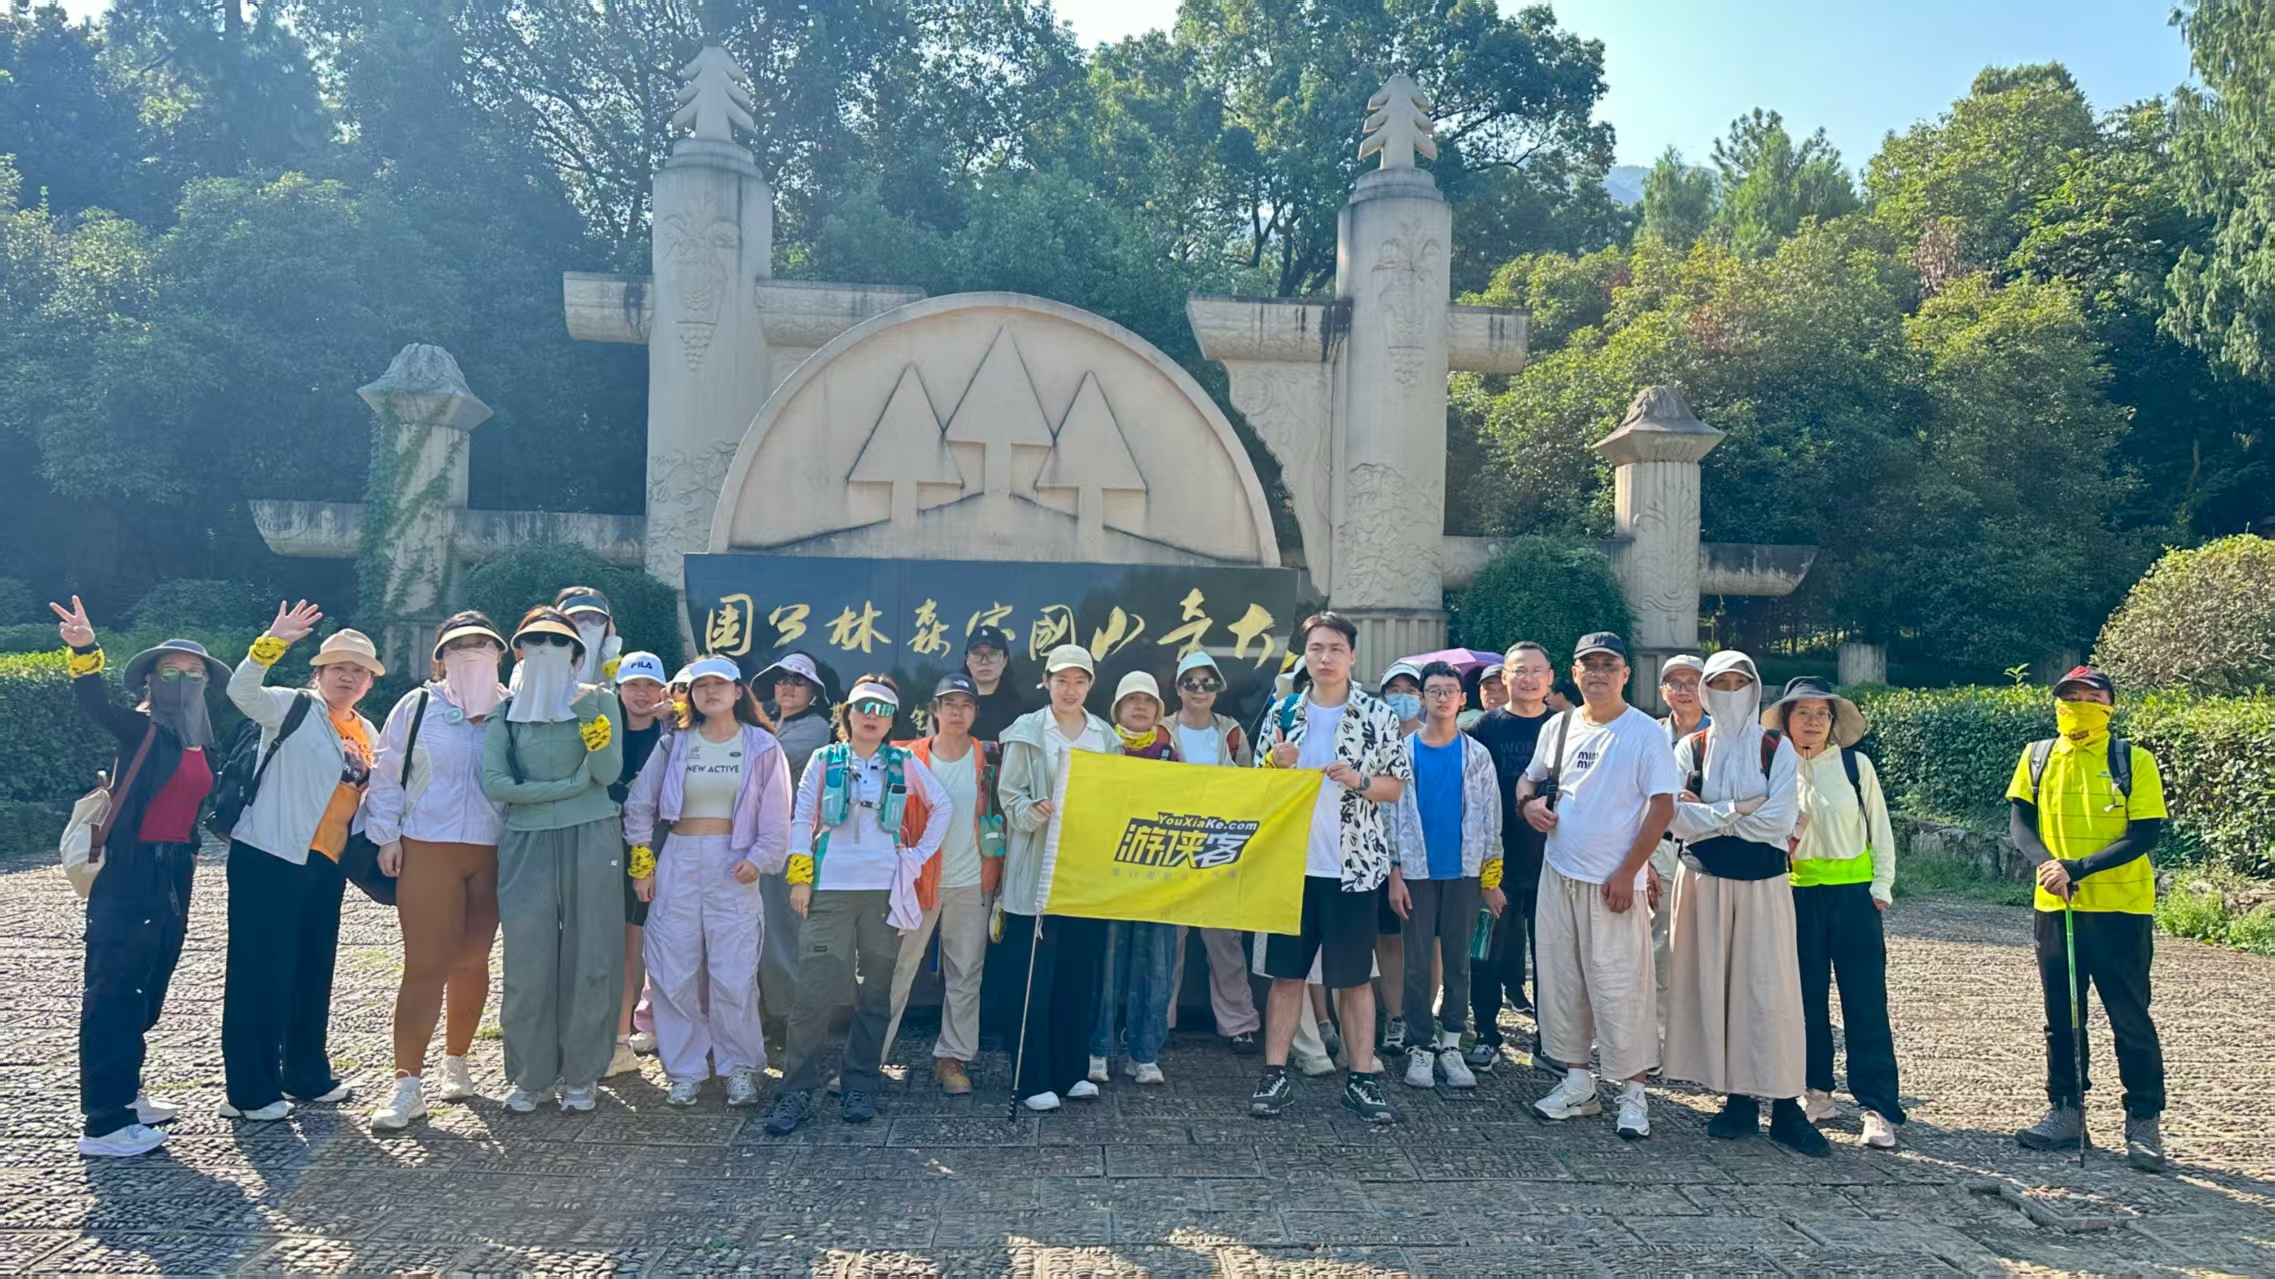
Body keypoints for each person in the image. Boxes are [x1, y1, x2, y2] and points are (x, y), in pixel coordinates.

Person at [52, 599, 226, 1157]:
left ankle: (126, 1093)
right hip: (130, 869)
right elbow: (93, 701)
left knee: (150, 983)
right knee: (115, 988)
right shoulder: (141, 728)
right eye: (170, 672)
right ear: (150, 679)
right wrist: (84, 648)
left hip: (173, 870)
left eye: (194, 673)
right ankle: (104, 1122)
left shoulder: (201, 739)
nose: (183, 682)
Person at [220, 602, 382, 1122]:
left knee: (312, 968)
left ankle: (306, 1074)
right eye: (338, 667)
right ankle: (250, 1091)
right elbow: (241, 692)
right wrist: (271, 643)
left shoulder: (368, 731)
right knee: (259, 971)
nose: (348, 677)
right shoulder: (293, 706)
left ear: (370, 682)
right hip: (270, 853)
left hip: (326, 863)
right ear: (319, 672)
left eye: (358, 671)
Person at [765, 674, 948, 1133]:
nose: (872, 717)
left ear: (891, 721)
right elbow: (802, 817)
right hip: (830, 886)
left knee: (875, 990)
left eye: (882, 711)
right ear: (847, 714)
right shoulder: (824, 759)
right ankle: (796, 1091)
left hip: (883, 891)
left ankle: (859, 1084)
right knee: (815, 990)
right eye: (863, 708)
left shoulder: (903, 762)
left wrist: (916, 857)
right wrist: (800, 877)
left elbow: (942, 806)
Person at [1249, 612, 1412, 1124]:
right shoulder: (1283, 712)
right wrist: (1275, 764)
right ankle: (1274, 1074)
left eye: (1335, 648)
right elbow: (1256, 787)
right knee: (1287, 977)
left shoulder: (1376, 714)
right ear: (1305, 655)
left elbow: (1395, 787)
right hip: (1292, 866)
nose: (1325, 658)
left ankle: (1361, 1078)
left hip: (1354, 867)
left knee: (1355, 979)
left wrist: (1359, 779)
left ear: (1352, 656)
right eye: (1316, 648)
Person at [2009, 666, 2170, 1172]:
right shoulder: (2037, 756)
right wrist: (2048, 866)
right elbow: (2021, 823)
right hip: (2057, 908)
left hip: (2122, 908)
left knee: (2129, 1017)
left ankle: (2143, 1120)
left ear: (2109, 705)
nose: (2079, 704)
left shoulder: (2133, 760)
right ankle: (2066, 1110)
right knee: (2062, 1017)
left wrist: (2077, 867)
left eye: (2090, 696)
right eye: (2070, 695)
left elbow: (2144, 834)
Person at [1518, 632, 1676, 1141]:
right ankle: (1578, 1083)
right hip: (1559, 873)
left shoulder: (1644, 732)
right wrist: (1528, 805)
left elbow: (1663, 806)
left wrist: (1630, 871)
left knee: (1621, 987)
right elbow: (1529, 780)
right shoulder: (1559, 726)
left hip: (1614, 883)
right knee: (1562, 982)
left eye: (1609, 665)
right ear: (1575, 672)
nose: (1599, 673)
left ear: (1625, 674)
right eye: (1589, 664)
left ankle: (1633, 1093)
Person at [1664, 651, 1824, 1157]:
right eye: (1721, 683)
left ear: (1754, 688)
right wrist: (1738, 809)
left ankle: (1786, 1105)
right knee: (1720, 990)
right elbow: (1674, 818)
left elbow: (1779, 821)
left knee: (1771, 994)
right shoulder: (1691, 748)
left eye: (1739, 683)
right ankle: (1737, 1099)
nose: (1730, 693)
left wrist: (1712, 816)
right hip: (1705, 885)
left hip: (1763, 886)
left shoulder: (1775, 747)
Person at [363, 613, 512, 1132]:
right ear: (441, 657)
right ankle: (407, 1083)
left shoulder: (513, 708)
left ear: (500, 654)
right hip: (428, 843)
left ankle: (458, 1060)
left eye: (482, 644)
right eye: (458, 645)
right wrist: (386, 834)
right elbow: (387, 770)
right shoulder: (418, 705)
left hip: (493, 849)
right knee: (426, 963)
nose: (470, 653)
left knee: (472, 960)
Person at [622, 656, 792, 1108]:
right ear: (690, 695)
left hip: (733, 864)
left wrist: (759, 859)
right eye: (701, 686)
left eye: (720, 684)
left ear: (738, 692)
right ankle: (685, 1070)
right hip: (678, 859)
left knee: (733, 975)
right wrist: (643, 865)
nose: (710, 692)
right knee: (672, 971)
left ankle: (740, 1068)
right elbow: (640, 806)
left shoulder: (761, 746)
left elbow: (778, 816)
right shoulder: (674, 743)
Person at [483, 607, 625, 1114]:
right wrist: (566, 786)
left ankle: (583, 1073)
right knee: (528, 960)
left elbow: (607, 772)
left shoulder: (600, 701)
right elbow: (496, 783)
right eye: (535, 639)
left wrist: (587, 717)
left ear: (577, 654)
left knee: (592, 954)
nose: (547, 648)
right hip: (527, 840)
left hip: (592, 834)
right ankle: (532, 1075)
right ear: (519, 650)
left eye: (559, 641)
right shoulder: (505, 712)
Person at [1761, 676, 1904, 1150]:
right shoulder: (1775, 768)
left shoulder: (1854, 766)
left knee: (1865, 1002)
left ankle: (1878, 1108)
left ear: (1833, 721)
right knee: (1805, 1002)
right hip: (1798, 896)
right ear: (1786, 720)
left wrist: (1881, 885)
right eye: (1802, 713)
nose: (1813, 722)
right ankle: (1817, 1093)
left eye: (1822, 714)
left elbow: (1880, 827)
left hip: (1855, 897)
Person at [998, 645, 1124, 1112]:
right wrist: (1034, 811)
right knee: (1033, 977)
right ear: (1046, 681)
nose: (1070, 690)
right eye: (1061, 680)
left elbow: (1118, 798)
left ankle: (1071, 1071)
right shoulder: (1027, 732)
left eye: (1080, 681)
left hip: (1085, 874)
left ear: (1090, 685)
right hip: (1036, 871)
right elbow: (1009, 797)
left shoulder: (1105, 736)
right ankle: (1031, 1078)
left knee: (1078, 973)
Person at [878, 673, 1002, 1095]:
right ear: (934, 710)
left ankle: (953, 1057)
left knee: (965, 973)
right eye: (948, 704)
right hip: (916, 882)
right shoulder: (907, 757)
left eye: (965, 705)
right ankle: (867, 1057)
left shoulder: (988, 758)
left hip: (972, 880)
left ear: (976, 712)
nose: (956, 713)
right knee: (895, 970)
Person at [1387, 661, 1503, 1090]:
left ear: (1462, 698)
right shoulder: (1402, 752)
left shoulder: (1477, 755)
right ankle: (1420, 1045)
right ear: (1423, 697)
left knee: (1458, 962)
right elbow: (1389, 816)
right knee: (1417, 964)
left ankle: (1451, 1041)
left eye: (1449, 691)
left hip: (1465, 872)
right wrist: (1394, 872)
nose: (1442, 698)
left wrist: (1491, 878)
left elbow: (1491, 819)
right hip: (1416, 871)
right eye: (1433, 691)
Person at [1463, 642, 1554, 1069]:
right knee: (1485, 953)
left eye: (1537, 671)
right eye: (1520, 670)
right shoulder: (1483, 729)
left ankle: (1551, 1039)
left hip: (1554, 862)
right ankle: (1486, 1032)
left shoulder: (1566, 727)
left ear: (1551, 677)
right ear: (1505, 678)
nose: (1528, 679)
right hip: (1496, 862)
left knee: (1552, 956)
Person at [1167, 651, 1262, 1055]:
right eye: (1191, 682)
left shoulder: (1232, 732)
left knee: (1225, 941)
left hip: (1221, 845)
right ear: (1178, 688)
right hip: (1169, 846)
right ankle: (1157, 1022)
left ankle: (1240, 1023)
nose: (1199, 690)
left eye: (1208, 683)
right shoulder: (1160, 730)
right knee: (1168, 941)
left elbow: (1252, 786)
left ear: (1218, 689)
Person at [1091, 671, 1183, 1086]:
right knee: (1105, 966)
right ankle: (1096, 1050)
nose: (1140, 707)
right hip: (1108, 874)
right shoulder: (1099, 747)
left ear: (1158, 710)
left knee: (1156, 968)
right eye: (1132, 700)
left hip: (1156, 876)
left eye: (1148, 701)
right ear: (1117, 709)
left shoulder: (1168, 753)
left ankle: (1145, 1055)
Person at [751, 651, 835, 1045]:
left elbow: (766, 761)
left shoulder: (815, 728)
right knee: (760, 930)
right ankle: (767, 1012)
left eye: (798, 681)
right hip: (755, 839)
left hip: (790, 841)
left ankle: (791, 1018)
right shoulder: (769, 720)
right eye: (782, 678)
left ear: (813, 692)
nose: (788, 686)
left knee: (785, 931)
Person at [606, 652, 674, 1073]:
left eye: (651, 686)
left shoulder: (673, 733)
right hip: (602, 840)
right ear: (619, 689)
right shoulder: (603, 727)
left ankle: (630, 1028)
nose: (642, 694)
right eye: (633, 685)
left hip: (654, 843)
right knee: (606, 938)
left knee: (640, 940)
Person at [1650, 653, 1707, 1053]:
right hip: (1659, 848)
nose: (1684, 690)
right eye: (1676, 682)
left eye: (1693, 682)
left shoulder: (1724, 736)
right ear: (1663, 691)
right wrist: (1642, 861)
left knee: (1708, 946)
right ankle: (1659, 1041)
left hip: (1711, 852)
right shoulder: (1649, 735)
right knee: (1661, 948)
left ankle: (1702, 1042)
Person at [1372, 661, 1423, 1054]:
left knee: (1429, 944)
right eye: (1394, 691)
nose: (1402, 698)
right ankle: (1394, 1016)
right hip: (1381, 857)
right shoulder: (1372, 739)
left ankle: (1425, 1019)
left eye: (1411, 691)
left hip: (1430, 860)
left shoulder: (1435, 740)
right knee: (1388, 939)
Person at [963, 624, 1028, 742]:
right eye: (977, 654)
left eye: (992, 654)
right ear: (967, 660)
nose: (984, 661)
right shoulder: (952, 703)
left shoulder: (1021, 707)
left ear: (1004, 660)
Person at [554, 587, 623, 688]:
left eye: (597, 618)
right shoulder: (541, 660)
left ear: (609, 624)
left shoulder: (620, 667)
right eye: (577, 617)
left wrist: (611, 650)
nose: (586, 624)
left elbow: (621, 690)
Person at [1457, 661, 1506, 731]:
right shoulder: (1467, 730)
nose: (1495, 695)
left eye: (1503, 689)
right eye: (1489, 689)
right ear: (1481, 691)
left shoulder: (1521, 726)